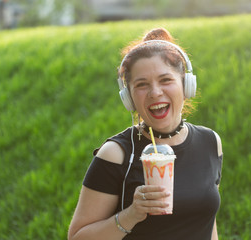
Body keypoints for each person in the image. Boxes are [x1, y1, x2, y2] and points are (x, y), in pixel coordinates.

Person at [68, 27, 223, 240]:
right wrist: (131, 215)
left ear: (186, 85)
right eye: (142, 85)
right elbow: (77, 237)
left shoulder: (210, 142)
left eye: (165, 80)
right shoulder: (117, 154)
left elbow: (207, 223)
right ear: (129, 97)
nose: (155, 92)